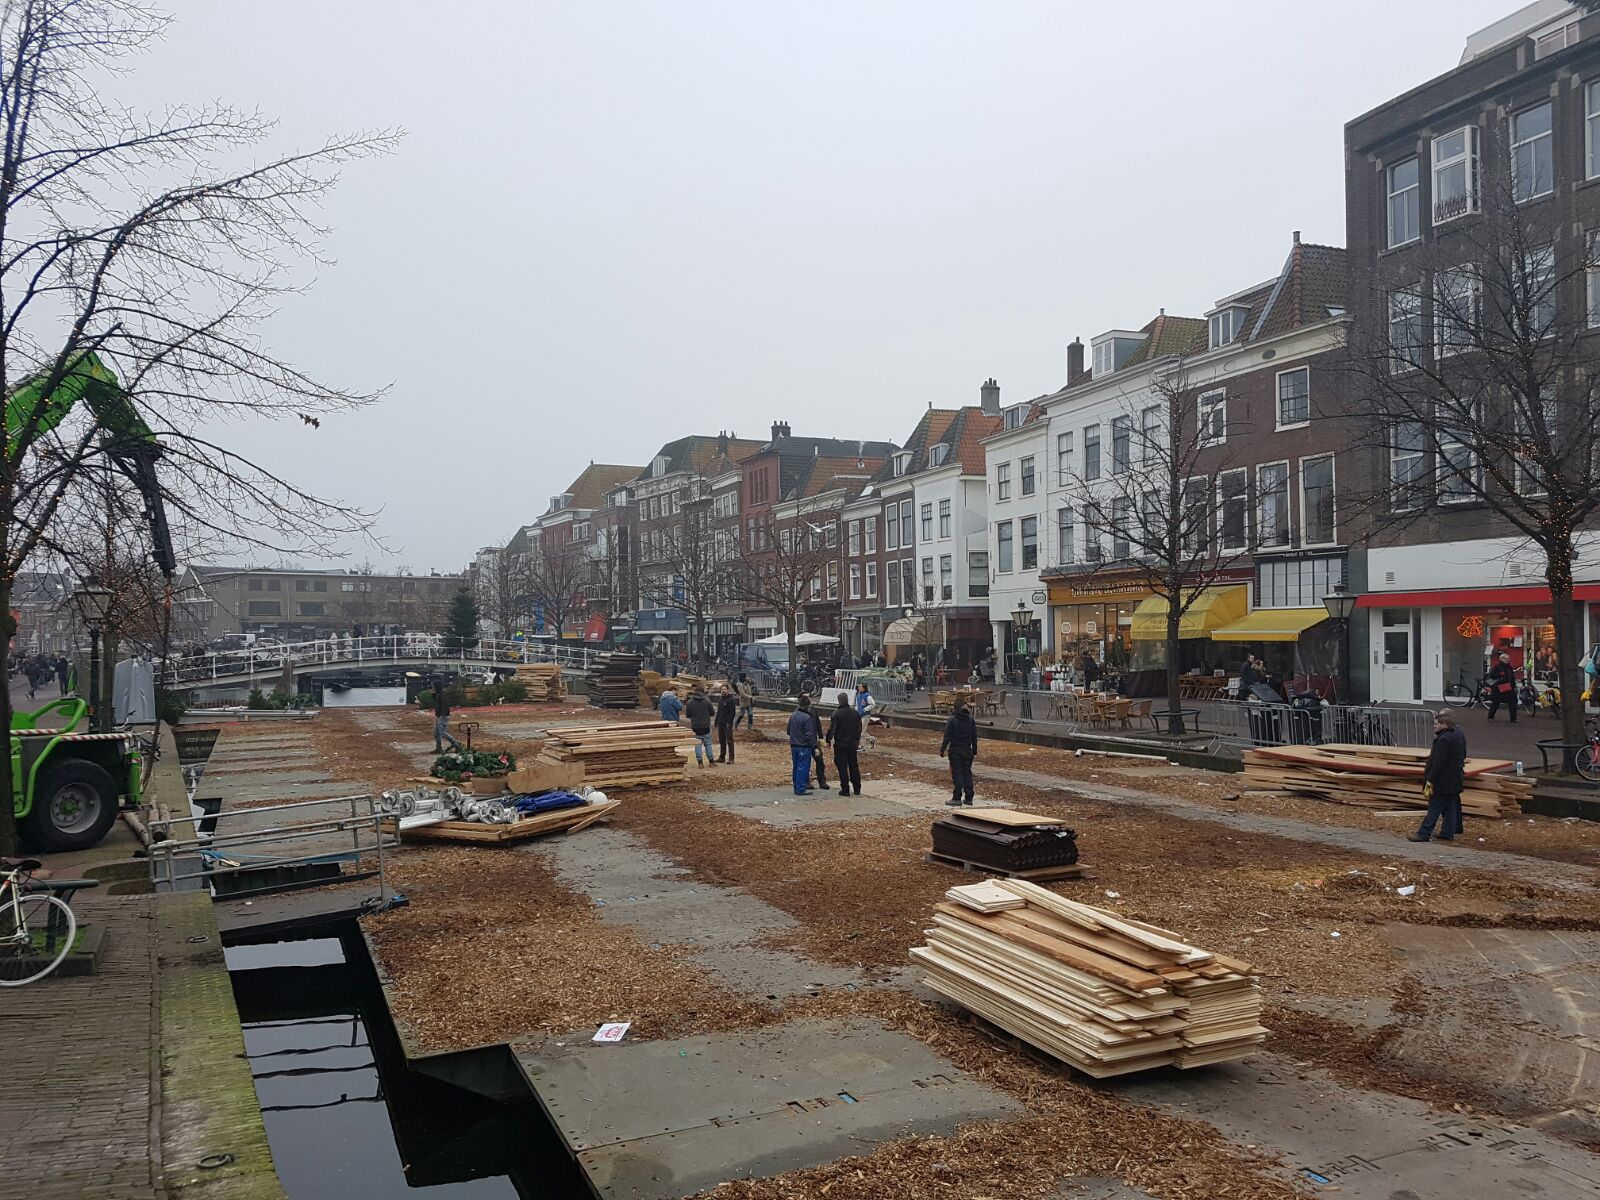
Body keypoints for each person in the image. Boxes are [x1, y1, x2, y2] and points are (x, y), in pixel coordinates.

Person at [1409, 710, 1466, 843]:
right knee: (1450, 806)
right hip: (1455, 778)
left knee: (1434, 807)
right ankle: (1447, 832)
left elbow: (1438, 763)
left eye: (1437, 724)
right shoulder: (1458, 734)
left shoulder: (1443, 740)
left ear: (1444, 725)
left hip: (1442, 781)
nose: (1434, 726)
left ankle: (1424, 833)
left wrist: (1430, 780)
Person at [939, 696, 979, 807]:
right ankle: (969, 797)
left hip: (955, 749)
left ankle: (957, 797)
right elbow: (974, 736)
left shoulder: (952, 719)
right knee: (967, 773)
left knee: (957, 773)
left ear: (954, 708)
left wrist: (942, 749)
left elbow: (947, 736)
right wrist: (974, 749)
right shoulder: (970, 719)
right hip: (967, 749)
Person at [827, 692, 863, 796]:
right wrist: (856, 739)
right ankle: (857, 788)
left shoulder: (836, 714)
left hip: (840, 744)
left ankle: (845, 788)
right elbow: (859, 728)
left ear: (839, 701)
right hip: (852, 744)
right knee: (853, 765)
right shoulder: (855, 713)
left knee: (842, 767)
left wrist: (828, 740)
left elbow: (832, 729)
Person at [786, 696, 819, 796]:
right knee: (803, 767)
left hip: (794, 745)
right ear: (808, 706)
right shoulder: (807, 718)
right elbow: (810, 734)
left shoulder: (793, 715)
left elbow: (788, 731)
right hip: (804, 746)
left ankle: (796, 786)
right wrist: (815, 746)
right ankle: (801, 788)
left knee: (796, 767)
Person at [683, 685, 715, 768]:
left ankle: (700, 762)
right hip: (706, 726)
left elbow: (687, 715)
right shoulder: (707, 701)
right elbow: (712, 713)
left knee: (697, 745)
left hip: (695, 727)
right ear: (703, 692)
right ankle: (711, 762)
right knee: (708, 744)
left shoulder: (690, 702)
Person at [431, 678, 462, 753]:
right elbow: (436, 701)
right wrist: (433, 694)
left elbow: (445, 705)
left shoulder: (443, 694)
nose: (432, 688)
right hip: (440, 715)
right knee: (436, 732)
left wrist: (443, 714)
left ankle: (455, 743)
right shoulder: (439, 694)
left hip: (443, 716)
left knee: (441, 732)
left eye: (433, 686)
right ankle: (438, 748)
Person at [1486, 651, 1518, 722]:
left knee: (1513, 701)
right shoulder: (1497, 666)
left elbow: (1512, 677)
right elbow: (1492, 675)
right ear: (1501, 659)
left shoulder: (1509, 667)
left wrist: (1513, 685)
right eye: (1505, 658)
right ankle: (1490, 716)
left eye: (1508, 658)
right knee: (1496, 702)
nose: (1507, 659)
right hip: (1499, 688)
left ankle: (1513, 718)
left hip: (1509, 687)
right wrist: (1500, 674)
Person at [715, 686, 739, 763]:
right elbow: (719, 711)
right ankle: (722, 757)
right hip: (720, 722)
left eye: (724, 689)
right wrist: (716, 720)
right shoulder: (721, 699)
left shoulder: (731, 699)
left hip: (727, 723)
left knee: (729, 740)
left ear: (727, 690)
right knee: (722, 740)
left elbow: (733, 713)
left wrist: (729, 722)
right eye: (722, 689)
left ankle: (731, 758)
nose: (723, 691)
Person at [809, 700, 830, 790]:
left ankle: (822, 781)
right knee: (806, 763)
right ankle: (806, 781)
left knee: (820, 761)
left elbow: (817, 724)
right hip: (805, 742)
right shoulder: (799, 713)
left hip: (814, 740)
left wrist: (821, 737)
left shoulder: (813, 710)